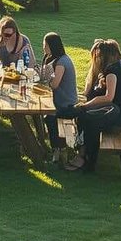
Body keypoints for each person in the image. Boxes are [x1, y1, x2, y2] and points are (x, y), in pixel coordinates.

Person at [62, 39, 121, 172]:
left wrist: (85, 106)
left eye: (97, 57)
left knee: (87, 119)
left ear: (104, 56)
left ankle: (84, 157)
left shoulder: (112, 71)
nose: (96, 60)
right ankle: (83, 152)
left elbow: (108, 97)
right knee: (86, 116)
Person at [41, 32, 78, 161]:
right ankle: (54, 146)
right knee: (45, 114)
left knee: (49, 117)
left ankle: (57, 148)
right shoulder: (53, 58)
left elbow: (54, 84)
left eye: (45, 45)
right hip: (58, 100)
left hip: (66, 104)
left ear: (52, 46)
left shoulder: (62, 62)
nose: (44, 47)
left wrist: (46, 79)